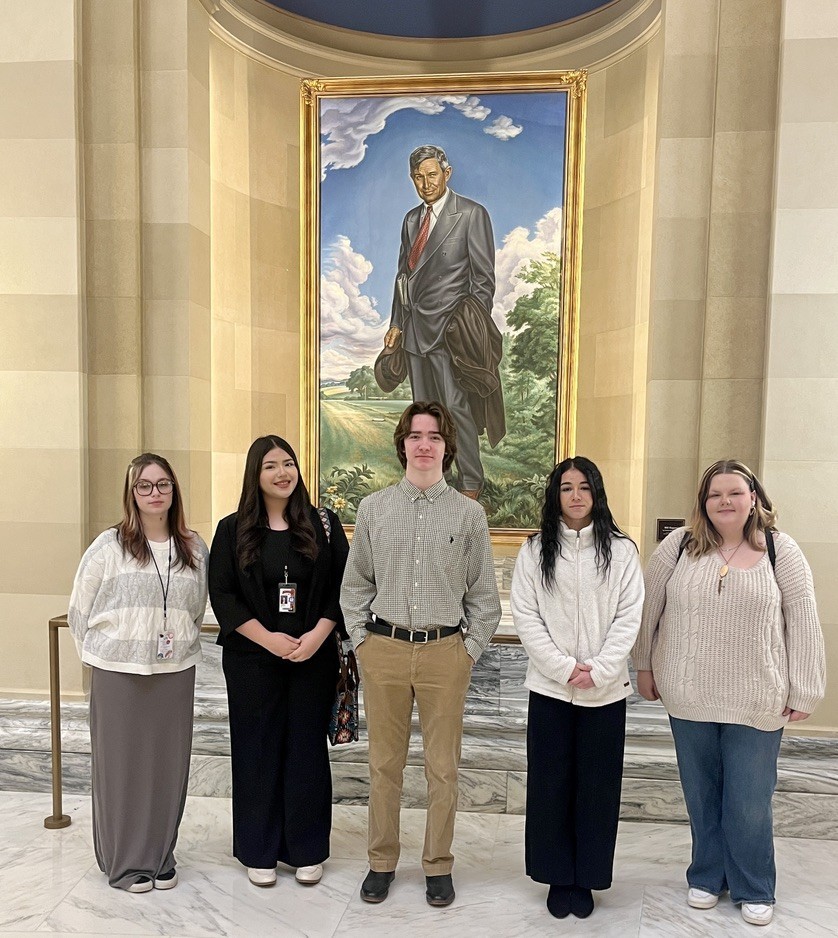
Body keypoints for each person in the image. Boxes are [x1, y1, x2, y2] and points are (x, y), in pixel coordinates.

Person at [632, 459, 826, 927]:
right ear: (703, 502)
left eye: (735, 492)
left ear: (753, 498)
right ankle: (706, 875)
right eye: (715, 494)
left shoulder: (782, 550)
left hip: (758, 695)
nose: (725, 501)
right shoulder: (677, 547)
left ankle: (754, 885)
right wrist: (643, 665)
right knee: (701, 793)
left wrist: (806, 686)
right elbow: (648, 610)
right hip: (687, 691)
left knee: (749, 799)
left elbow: (803, 619)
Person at [340, 400, 501, 907]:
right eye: (415, 435)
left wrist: (467, 651)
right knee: (384, 765)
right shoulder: (374, 508)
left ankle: (437, 864)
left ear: (446, 448)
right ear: (403, 444)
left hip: (443, 653)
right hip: (383, 649)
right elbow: (354, 586)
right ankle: (381, 861)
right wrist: (363, 643)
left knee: (442, 768)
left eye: (433, 436)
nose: (424, 444)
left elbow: (485, 599)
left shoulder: (469, 514)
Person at [208, 435, 349, 888]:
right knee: (257, 749)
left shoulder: (323, 524)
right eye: (271, 465)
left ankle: (306, 849)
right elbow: (223, 595)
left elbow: (343, 589)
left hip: (313, 655)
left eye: (288, 463)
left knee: (306, 750)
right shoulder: (232, 530)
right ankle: (259, 850)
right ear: (256, 474)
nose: (282, 473)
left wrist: (315, 637)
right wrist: (269, 639)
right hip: (253, 659)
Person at [510, 457, 643, 919]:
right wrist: (565, 669)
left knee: (597, 788)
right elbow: (526, 617)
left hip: (605, 694)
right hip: (550, 691)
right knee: (550, 784)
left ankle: (586, 878)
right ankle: (556, 875)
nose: (576, 495)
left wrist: (600, 670)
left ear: (596, 493)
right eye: (566, 488)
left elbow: (630, 616)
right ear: (555, 495)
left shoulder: (623, 551)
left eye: (584, 487)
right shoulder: (533, 550)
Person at [68, 453, 208, 893]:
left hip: (173, 672)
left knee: (167, 767)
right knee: (122, 769)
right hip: (119, 674)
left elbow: (196, 607)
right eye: (144, 486)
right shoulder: (107, 547)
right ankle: (126, 864)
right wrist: (102, 658)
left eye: (163, 484)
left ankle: (160, 854)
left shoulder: (193, 546)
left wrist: (176, 644)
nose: (154, 493)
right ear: (131, 494)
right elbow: (78, 610)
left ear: (174, 490)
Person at [380, 144, 505, 498]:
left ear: (446, 174)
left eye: (432, 175)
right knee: (423, 416)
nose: (425, 183)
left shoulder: (471, 214)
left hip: (451, 334)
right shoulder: (410, 220)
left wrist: (467, 325)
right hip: (415, 333)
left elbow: (483, 281)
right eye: (418, 177)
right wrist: (396, 324)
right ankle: (433, 483)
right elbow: (403, 277)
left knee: (455, 408)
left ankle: (470, 484)